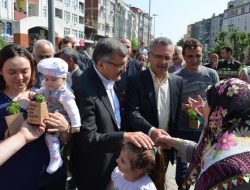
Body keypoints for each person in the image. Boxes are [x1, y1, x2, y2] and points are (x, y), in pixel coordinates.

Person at [71, 38, 154, 190]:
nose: (124, 69)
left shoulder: (110, 76)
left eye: (126, 64)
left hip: (112, 167)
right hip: (94, 172)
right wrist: (124, 136)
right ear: (101, 64)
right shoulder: (84, 90)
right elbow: (87, 139)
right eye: (121, 65)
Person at [156, 78, 250, 190]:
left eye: (209, 102)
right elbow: (205, 153)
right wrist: (172, 141)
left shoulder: (225, 165)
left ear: (220, 110)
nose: (204, 106)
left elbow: (208, 156)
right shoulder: (234, 136)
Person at [0, 44, 68, 189]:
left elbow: (63, 139)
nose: (19, 77)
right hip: (15, 181)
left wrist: (64, 129)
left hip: (52, 178)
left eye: (25, 71)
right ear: (1, 71)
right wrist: (8, 141)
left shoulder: (45, 95)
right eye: (12, 72)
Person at [125, 37, 183, 167]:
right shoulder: (135, 81)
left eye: (167, 58)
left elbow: (176, 116)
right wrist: (151, 131)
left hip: (166, 148)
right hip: (142, 148)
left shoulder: (177, 82)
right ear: (149, 56)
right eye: (158, 56)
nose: (163, 62)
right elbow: (132, 112)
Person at [174, 38, 219, 189]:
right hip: (183, 129)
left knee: (205, 169)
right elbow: (172, 103)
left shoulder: (212, 74)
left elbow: (219, 101)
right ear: (184, 57)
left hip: (206, 129)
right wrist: (185, 107)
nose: (194, 60)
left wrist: (207, 107)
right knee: (182, 173)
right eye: (190, 56)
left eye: (198, 55)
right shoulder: (176, 77)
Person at [116, 38, 142, 106]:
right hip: (114, 101)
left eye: (128, 47)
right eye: (122, 46)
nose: (125, 48)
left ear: (131, 49)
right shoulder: (111, 63)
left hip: (130, 103)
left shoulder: (137, 64)